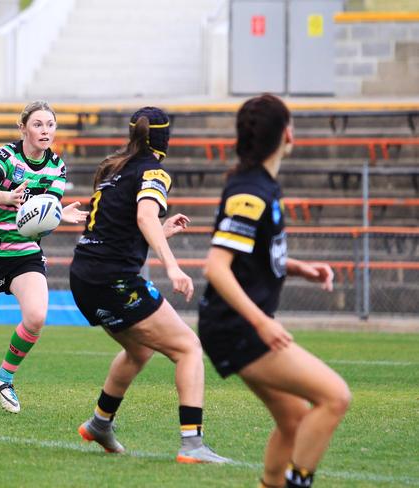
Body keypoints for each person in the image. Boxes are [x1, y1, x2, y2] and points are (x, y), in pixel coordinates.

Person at [198, 94, 351, 487]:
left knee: (294, 419)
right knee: (335, 397)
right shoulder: (250, 192)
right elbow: (217, 267)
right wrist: (261, 323)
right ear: (287, 134)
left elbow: (253, 252)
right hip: (237, 328)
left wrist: (297, 268)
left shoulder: (260, 184)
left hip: (234, 325)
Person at [69, 107, 227, 464]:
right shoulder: (154, 171)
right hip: (113, 280)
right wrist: (173, 266)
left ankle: (99, 424)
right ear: (164, 137)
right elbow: (143, 215)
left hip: (84, 277)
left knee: (139, 351)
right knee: (188, 347)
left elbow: (123, 224)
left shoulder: (115, 168)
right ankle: (192, 445)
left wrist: (162, 229)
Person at [0, 100, 87, 414]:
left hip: (25, 254)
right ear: (23, 128)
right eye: (37, 124)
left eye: (50, 125)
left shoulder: (57, 166)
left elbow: (41, 213)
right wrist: (8, 196)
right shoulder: (4, 158)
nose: (44, 130)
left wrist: (58, 214)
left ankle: (4, 376)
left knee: (36, 316)